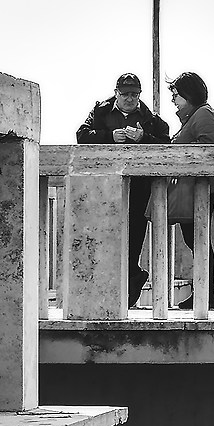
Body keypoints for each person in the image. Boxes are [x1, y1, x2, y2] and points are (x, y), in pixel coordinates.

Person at [74, 72, 173, 306]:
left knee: (134, 238)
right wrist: (109, 137)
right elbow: (81, 136)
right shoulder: (101, 112)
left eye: (134, 94)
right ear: (116, 93)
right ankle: (122, 287)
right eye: (125, 94)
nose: (130, 98)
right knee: (106, 239)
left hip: (139, 188)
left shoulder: (150, 118)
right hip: (104, 189)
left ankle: (128, 292)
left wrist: (143, 138)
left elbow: (166, 144)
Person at [159, 72, 214, 308]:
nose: (174, 100)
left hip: (199, 188)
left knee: (198, 240)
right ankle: (204, 293)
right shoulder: (195, 116)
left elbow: (208, 150)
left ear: (188, 95)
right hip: (192, 188)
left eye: (176, 95)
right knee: (196, 240)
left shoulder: (203, 114)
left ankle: (206, 294)